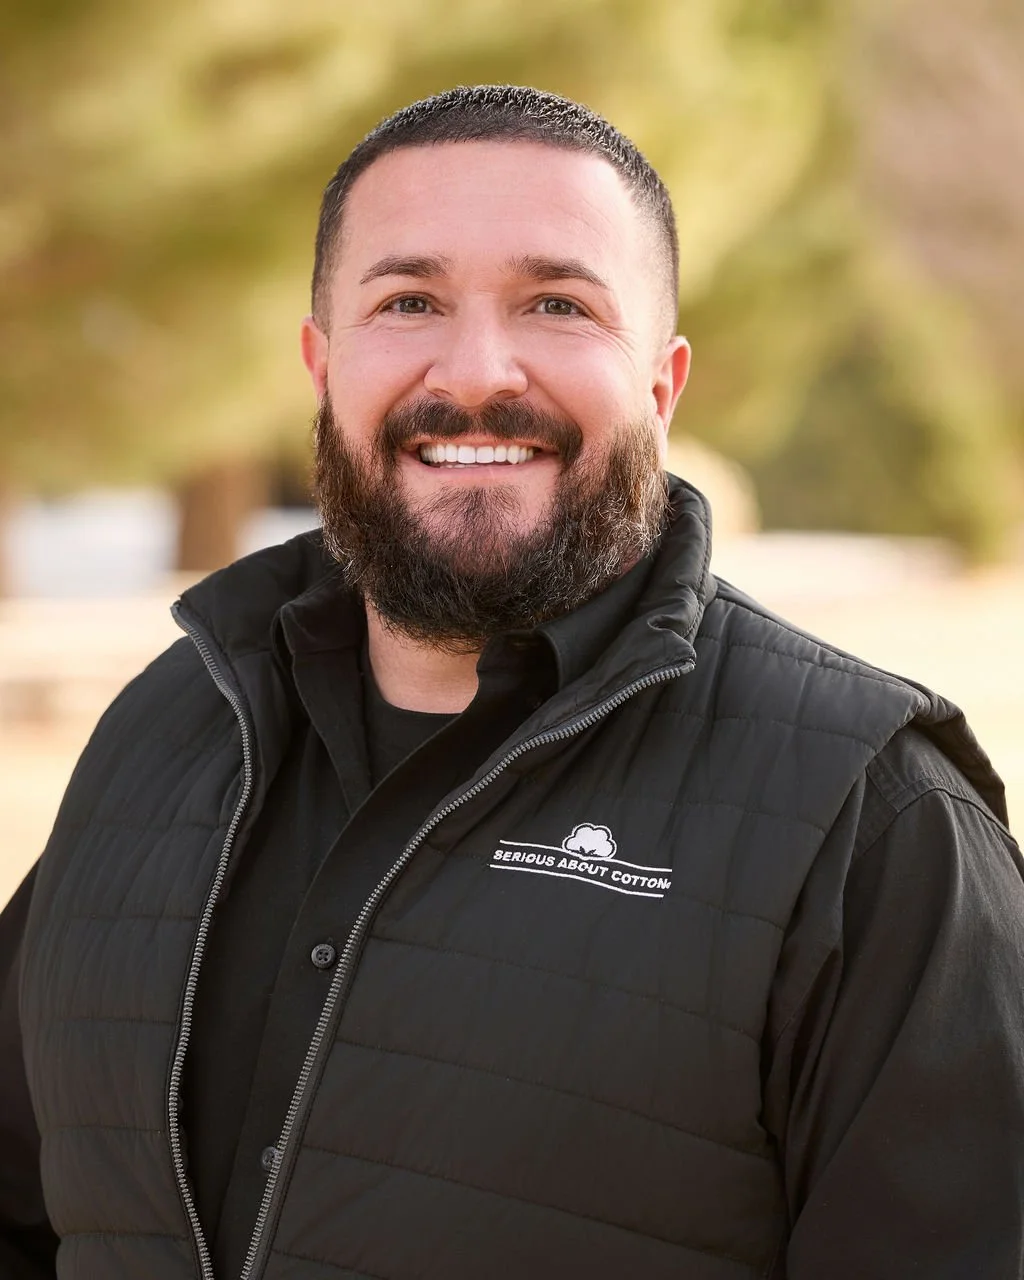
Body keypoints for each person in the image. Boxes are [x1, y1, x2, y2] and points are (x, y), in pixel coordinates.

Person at [2, 84, 1022, 1280]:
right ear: (322, 364)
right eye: (409, 300)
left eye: (556, 303)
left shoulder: (875, 818)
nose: (477, 370)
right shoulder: (166, 730)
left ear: (661, 382)